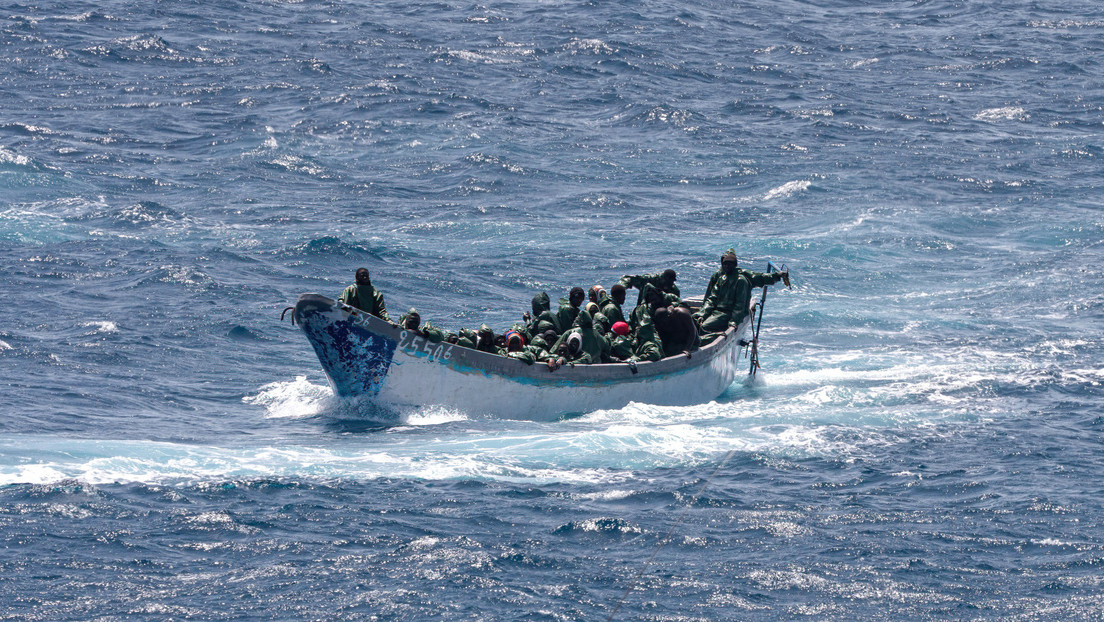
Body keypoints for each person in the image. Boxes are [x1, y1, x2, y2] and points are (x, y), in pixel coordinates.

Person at [695, 249, 787, 333]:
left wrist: (734, 321)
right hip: (716, 311)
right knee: (694, 323)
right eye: (724, 263)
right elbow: (711, 298)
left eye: (728, 263)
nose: (725, 266)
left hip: (727, 313)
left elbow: (740, 304)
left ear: (734, 265)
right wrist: (702, 313)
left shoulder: (741, 279)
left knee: (703, 327)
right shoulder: (719, 277)